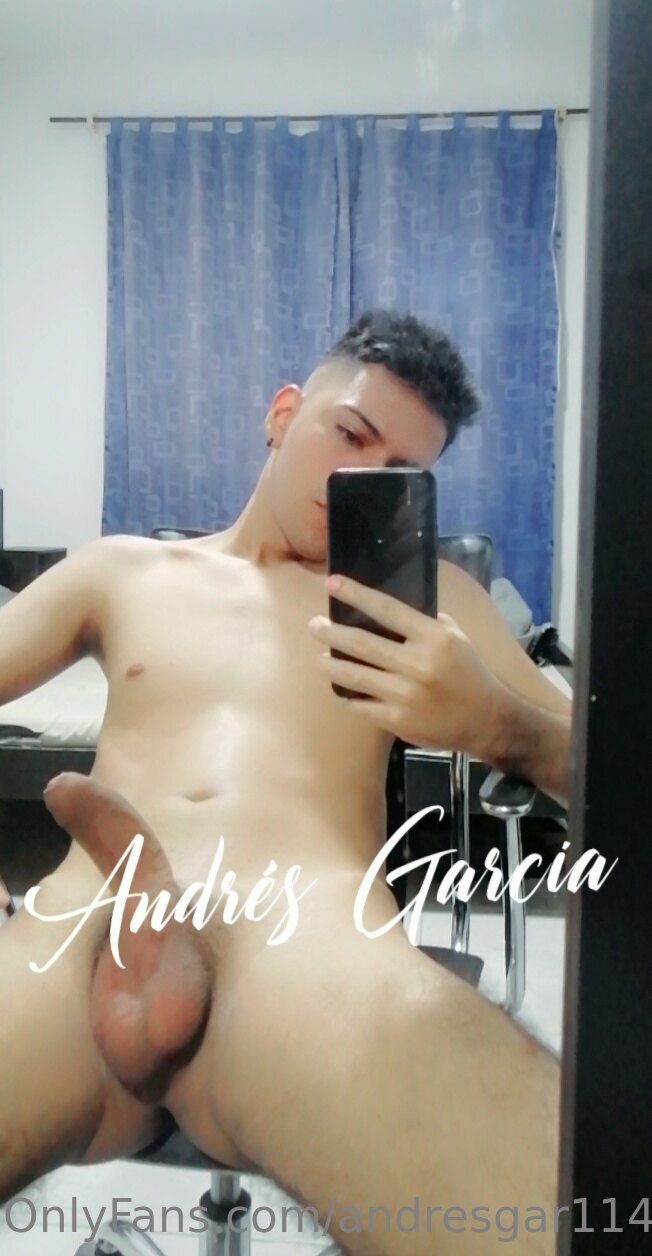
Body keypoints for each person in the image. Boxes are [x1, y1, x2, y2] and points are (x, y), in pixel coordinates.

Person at [0, 311, 570, 1253]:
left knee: (559, 1213)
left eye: (397, 473)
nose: (358, 478)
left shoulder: (435, 607)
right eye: (350, 434)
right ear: (282, 414)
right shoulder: (122, 570)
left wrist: (499, 722)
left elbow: (610, 773)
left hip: (307, 954)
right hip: (80, 933)